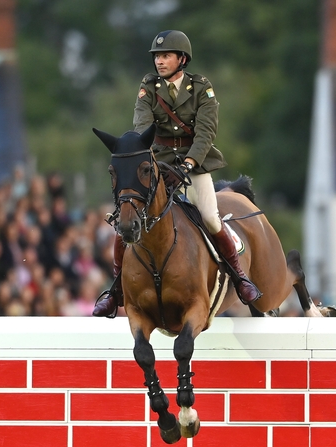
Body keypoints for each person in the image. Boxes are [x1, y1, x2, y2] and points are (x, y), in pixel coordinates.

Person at [93, 30, 262, 318]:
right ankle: (116, 290)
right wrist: (144, 154)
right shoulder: (148, 87)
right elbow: (143, 124)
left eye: (166, 56)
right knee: (128, 217)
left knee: (210, 217)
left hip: (194, 164)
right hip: (158, 165)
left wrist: (188, 164)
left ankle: (239, 277)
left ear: (182, 59)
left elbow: (205, 132)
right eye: (157, 57)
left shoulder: (201, 88)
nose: (159, 61)